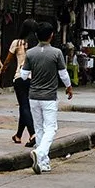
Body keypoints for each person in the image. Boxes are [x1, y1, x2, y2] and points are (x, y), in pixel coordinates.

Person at [23, 21, 73, 174]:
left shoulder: (30, 53)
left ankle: (43, 162)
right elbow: (63, 74)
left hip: (33, 96)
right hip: (49, 97)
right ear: (51, 35)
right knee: (51, 128)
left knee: (38, 128)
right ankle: (40, 153)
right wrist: (69, 87)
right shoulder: (57, 53)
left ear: (36, 36)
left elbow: (24, 76)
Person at [1, 18, 38, 147]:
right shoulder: (37, 45)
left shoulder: (17, 43)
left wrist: (2, 69)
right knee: (25, 106)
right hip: (34, 79)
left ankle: (33, 134)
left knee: (24, 106)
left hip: (20, 77)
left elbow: (8, 60)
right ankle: (18, 135)